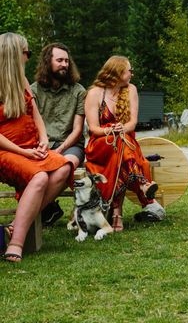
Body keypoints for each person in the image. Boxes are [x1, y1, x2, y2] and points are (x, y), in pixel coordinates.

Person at [0, 33, 72, 262]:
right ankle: (16, 243)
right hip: (7, 151)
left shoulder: (21, 81)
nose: (28, 58)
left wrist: (43, 139)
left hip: (31, 146)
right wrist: (24, 152)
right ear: (13, 55)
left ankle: (15, 225)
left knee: (63, 168)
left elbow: (36, 114)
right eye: (26, 53)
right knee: (39, 178)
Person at [84, 56, 164, 231]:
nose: (132, 74)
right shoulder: (94, 93)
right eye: (130, 70)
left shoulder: (131, 90)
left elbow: (132, 124)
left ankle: (116, 213)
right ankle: (143, 187)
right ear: (118, 72)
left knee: (120, 153)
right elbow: (93, 129)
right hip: (100, 144)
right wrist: (112, 130)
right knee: (120, 142)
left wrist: (120, 130)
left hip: (124, 143)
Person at [31, 43, 86, 226]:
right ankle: (47, 209)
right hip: (41, 144)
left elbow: (78, 129)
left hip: (70, 145)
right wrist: (42, 146)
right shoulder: (33, 90)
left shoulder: (78, 91)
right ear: (48, 62)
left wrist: (61, 149)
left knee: (66, 166)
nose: (64, 64)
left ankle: (31, 213)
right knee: (30, 170)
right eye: (59, 60)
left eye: (67, 61)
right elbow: (30, 125)